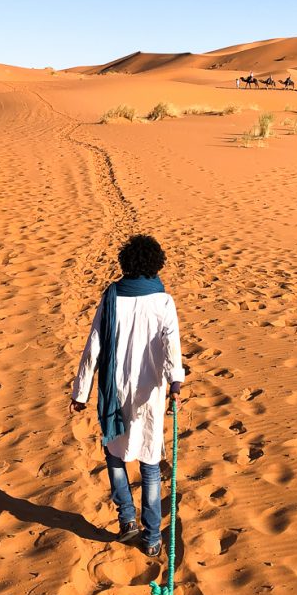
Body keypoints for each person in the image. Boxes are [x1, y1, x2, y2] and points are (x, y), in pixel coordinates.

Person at [71, 234, 185, 557]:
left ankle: (127, 519)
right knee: (149, 462)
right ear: (155, 265)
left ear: (126, 264)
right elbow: (171, 346)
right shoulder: (163, 301)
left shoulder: (111, 297)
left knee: (114, 452)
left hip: (114, 390)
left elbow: (93, 347)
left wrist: (81, 392)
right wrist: (175, 383)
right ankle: (151, 538)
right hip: (150, 394)